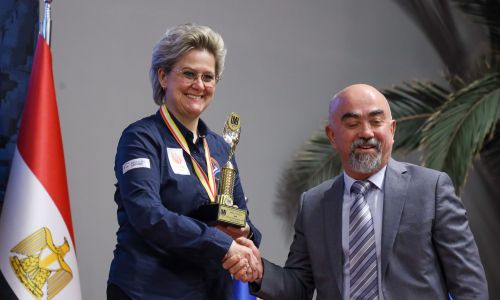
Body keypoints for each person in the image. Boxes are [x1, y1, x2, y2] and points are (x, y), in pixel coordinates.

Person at [224, 83, 488, 299]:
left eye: (376, 121)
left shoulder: (431, 189)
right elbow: (299, 286)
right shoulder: (314, 204)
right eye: (352, 124)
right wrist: (260, 272)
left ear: (392, 130)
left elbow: (468, 283)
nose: (366, 133)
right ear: (332, 135)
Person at [107, 24, 261, 300]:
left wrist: (245, 236)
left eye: (208, 77)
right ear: (164, 76)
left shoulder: (220, 146)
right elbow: (148, 215)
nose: (199, 85)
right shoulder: (140, 138)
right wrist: (222, 246)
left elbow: (242, 216)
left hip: (212, 290)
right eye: (189, 73)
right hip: (149, 291)